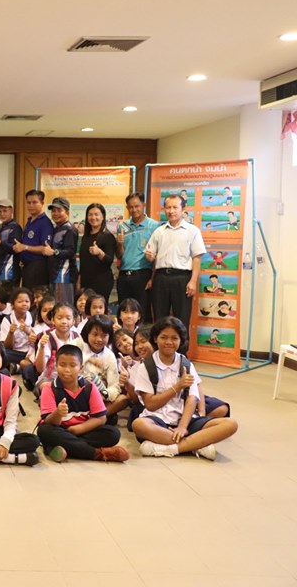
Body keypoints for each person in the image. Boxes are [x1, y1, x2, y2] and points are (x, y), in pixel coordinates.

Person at [131, 317, 238, 459]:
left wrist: (182, 427)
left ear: (180, 340)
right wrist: (177, 386)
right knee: (138, 425)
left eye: (174, 338)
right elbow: (150, 404)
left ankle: (172, 448)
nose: (169, 342)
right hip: (157, 420)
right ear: (156, 339)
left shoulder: (186, 364)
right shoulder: (146, 366)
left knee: (230, 424)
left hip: (185, 420)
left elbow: (192, 398)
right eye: (164, 337)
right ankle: (197, 444)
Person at [37, 344, 130, 463]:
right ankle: (97, 454)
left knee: (113, 433)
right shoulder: (49, 388)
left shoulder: (90, 387)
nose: (67, 370)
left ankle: (56, 448)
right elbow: (49, 421)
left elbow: (101, 418)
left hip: (83, 430)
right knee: (44, 431)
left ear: (81, 368)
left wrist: (77, 429)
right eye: (62, 365)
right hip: (59, 430)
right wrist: (58, 413)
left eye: (72, 365)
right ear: (56, 366)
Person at [144, 194, 206, 332]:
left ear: (183, 209)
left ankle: (182, 346)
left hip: (182, 278)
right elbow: (151, 256)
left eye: (175, 207)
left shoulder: (192, 231)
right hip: (161, 278)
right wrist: (149, 257)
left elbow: (197, 258)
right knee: (159, 318)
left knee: (182, 319)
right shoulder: (159, 231)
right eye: (168, 207)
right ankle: (159, 345)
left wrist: (193, 281)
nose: (171, 211)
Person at [115, 192, 160, 318]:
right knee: (124, 313)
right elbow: (119, 255)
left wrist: (152, 278)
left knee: (143, 313)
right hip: (124, 275)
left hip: (143, 275)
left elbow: (158, 255)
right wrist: (119, 244)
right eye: (130, 207)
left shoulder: (154, 226)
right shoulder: (122, 226)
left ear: (143, 205)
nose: (134, 210)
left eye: (137, 206)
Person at [13, 189, 53, 290]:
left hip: (38, 267)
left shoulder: (45, 223)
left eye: (34, 202)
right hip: (27, 267)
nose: (31, 205)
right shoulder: (30, 220)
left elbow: (45, 248)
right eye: (28, 202)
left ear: (42, 203)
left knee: (36, 296)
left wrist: (24, 247)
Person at [78, 203, 117, 300]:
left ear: (103, 217)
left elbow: (109, 260)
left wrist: (99, 252)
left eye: (96, 214)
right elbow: (83, 261)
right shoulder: (85, 237)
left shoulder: (107, 236)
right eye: (90, 215)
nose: (93, 217)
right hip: (86, 281)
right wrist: (79, 280)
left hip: (101, 282)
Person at [45, 197, 78, 305]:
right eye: (53, 211)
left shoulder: (70, 229)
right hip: (54, 275)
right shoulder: (56, 228)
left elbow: (71, 251)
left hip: (64, 276)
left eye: (59, 210)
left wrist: (54, 252)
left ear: (67, 212)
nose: (56, 213)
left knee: (64, 307)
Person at [0, 198, 22, 295]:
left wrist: (0, 243)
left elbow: (16, 248)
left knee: (9, 300)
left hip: (9, 272)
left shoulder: (15, 227)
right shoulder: (0, 226)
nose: (2, 214)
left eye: (5, 211)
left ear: (11, 210)